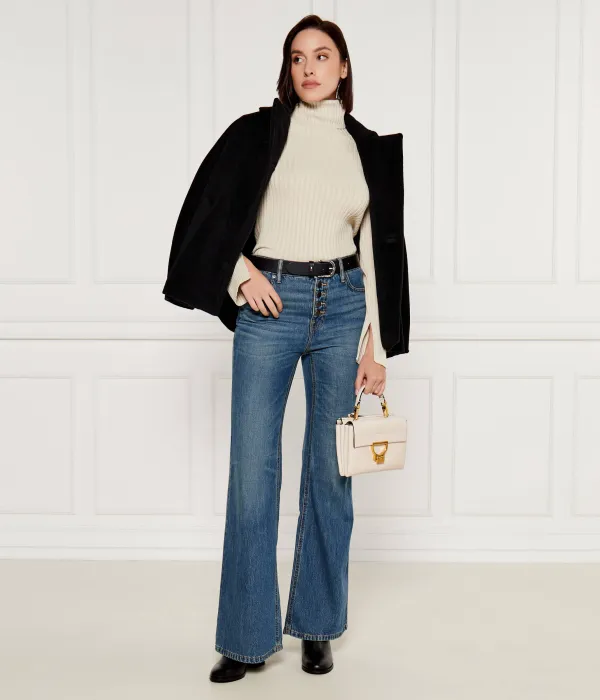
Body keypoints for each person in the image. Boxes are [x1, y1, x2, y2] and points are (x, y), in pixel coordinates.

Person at [163, 13, 409, 685]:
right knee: (253, 473)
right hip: (271, 305)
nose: (309, 67)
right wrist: (240, 274)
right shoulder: (257, 132)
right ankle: (245, 638)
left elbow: (377, 251)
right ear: (287, 67)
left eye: (322, 56)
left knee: (330, 473)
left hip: (343, 305)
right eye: (298, 57)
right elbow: (208, 213)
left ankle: (317, 626)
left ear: (343, 67)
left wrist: (377, 347)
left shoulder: (368, 149)